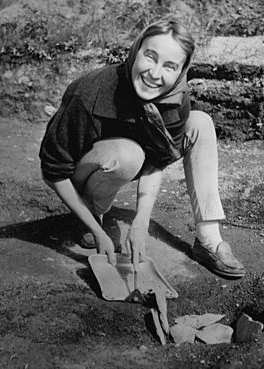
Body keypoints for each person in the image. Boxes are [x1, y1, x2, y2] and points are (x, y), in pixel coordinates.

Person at [39, 18, 246, 280]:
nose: (155, 74)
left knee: (200, 122)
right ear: (136, 51)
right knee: (128, 154)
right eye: (150, 57)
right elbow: (53, 170)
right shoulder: (91, 93)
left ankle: (209, 241)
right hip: (87, 170)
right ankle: (91, 213)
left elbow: (158, 158)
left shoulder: (175, 98)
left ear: (182, 71)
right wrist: (98, 231)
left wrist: (140, 224)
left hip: (130, 162)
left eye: (170, 66)